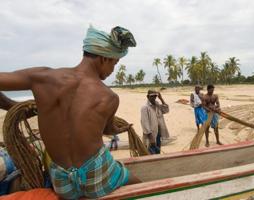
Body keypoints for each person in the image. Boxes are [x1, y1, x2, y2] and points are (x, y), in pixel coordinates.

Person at [0, 25, 141, 199]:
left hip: (62, 180)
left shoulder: (42, 78)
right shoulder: (109, 97)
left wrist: (12, 106)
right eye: (114, 63)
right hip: (95, 173)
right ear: (104, 58)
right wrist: (119, 129)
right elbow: (107, 130)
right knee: (137, 182)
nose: (112, 71)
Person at [141, 90, 171, 154]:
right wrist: (151, 137)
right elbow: (144, 123)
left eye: (155, 96)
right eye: (152, 96)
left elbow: (166, 110)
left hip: (158, 134)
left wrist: (161, 98)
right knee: (150, 153)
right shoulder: (145, 108)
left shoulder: (158, 106)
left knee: (158, 152)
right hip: (151, 135)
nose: (154, 98)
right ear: (147, 97)